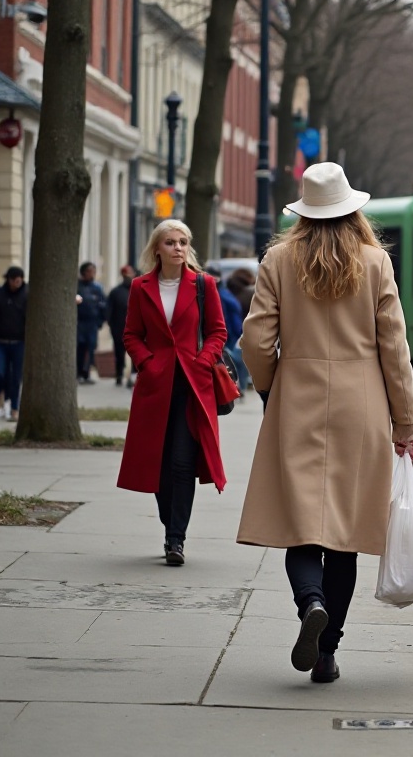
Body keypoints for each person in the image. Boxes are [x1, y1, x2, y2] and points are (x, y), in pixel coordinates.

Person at [237, 162, 413, 684]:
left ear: (303, 212)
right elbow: (395, 349)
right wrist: (405, 423)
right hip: (360, 407)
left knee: (302, 525)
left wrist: (271, 385)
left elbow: (254, 340)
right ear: (353, 209)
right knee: (344, 533)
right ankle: (327, 654)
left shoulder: (277, 259)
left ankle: (309, 603)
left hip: (297, 398)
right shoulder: (374, 263)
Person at [116, 220, 228, 566]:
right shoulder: (140, 287)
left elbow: (218, 332)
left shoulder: (203, 284)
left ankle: (175, 538)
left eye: (183, 241)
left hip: (192, 386)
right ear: (157, 248)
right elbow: (131, 334)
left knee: (182, 462)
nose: (178, 247)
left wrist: (203, 358)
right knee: (159, 465)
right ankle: (171, 523)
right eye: (170, 242)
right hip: (155, 387)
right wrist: (147, 362)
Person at [207, 265, 244, 392]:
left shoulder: (220, 294)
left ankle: (233, 386)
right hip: (229, 333)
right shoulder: (224, 292)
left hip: (226, 335)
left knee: (229, 362)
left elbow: (229, 316)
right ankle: (237, 386)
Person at [0, 266, 28, 422]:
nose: (18, 283)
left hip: (19, 342)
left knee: (16, 376)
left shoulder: (27, 294)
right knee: (0, 372)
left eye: (20, 280)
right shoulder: (1, 294)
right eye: (15, 280)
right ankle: (1, 401)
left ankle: (15, 408)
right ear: (9, 280)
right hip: (1, 342)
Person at [226, 268, 256, 391]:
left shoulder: (228, 291)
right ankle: (240, 387)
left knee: (230, 361)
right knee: (241, 363)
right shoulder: (250, 293)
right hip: (244, 331)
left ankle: (231, 385)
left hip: (228, 330)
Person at [76, 262, 106, 384]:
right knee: (80, 348)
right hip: (80, 323)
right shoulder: (78, 287)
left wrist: (100, 321)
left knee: (91, 347)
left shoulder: (97, 288)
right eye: (89, 271)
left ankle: (86, 372)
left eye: (93, 271)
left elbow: (103, 305)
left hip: (92, 323)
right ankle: (78, 372)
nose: (92, 274)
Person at [106, 265, 136, 387]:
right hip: (119, 328)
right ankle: (119, 375)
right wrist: (112, 326)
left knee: (136, 354)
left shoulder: (138, 290)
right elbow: (109, 311)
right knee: (119, 353)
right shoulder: (115, 292)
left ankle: (134, 376)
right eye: (125, 276)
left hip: (136, 329)